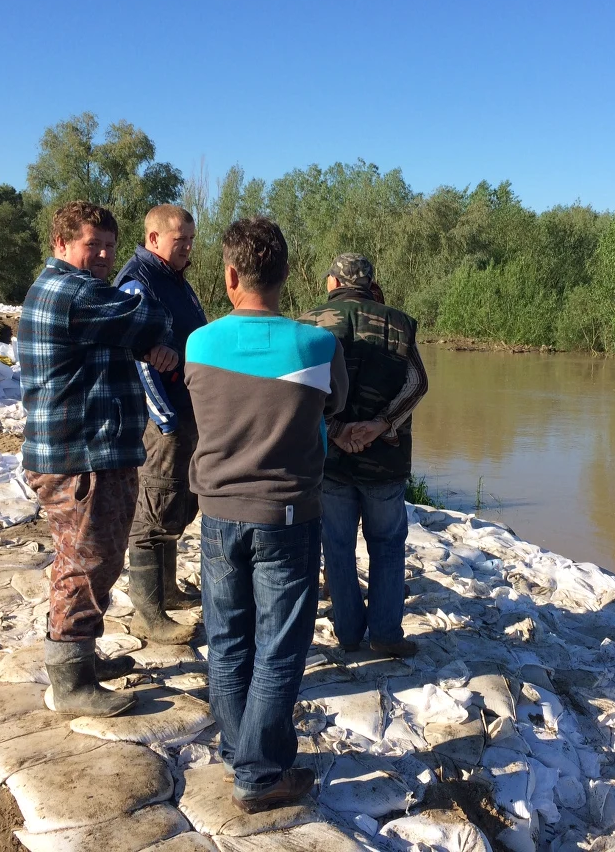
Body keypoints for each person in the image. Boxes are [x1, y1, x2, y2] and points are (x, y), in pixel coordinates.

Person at [186, 217, 347, 812]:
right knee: (279, 646)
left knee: (228, 639)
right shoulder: (317, 344)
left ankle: (240, 751)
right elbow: (340, 402)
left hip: (218, 513)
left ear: (230, 276)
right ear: (285, 276)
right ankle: (258, 774)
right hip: (287, 514)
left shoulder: (198, 343)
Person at [19, 201, 178, 718]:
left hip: (90, 451)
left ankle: (81, 661)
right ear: (61, 245)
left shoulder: (85, 298)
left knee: (95, 560)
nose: (107, 255)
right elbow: (149, 313)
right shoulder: (70, 291)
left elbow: (126, 331)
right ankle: (70, 686)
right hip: (79, 456)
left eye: (110, 244)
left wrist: (144, 344)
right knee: (83, 564)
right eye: (95, 245)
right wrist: (151, 336)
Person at [298, 253, 429, 658]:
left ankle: (349, 632)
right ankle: (386, 633)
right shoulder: (399, 322)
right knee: (387, 544)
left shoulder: (307, 322)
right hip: (385, 459)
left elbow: (301, 389)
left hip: (330, 459)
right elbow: (417, 383)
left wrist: (336, 431)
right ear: (371, 283)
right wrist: (380, 424)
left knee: (336, 544)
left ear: (332, 283)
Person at [114, 204, 207, 645]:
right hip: (162, 418)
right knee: (153, 506)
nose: (188, 248)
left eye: (191, 239)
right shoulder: (139, 282)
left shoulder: (174, 279)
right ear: (153, 238)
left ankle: (167, 589)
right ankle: (148, 613)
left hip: (184, 410)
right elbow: (137, 356)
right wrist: (166, 418)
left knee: (175, 500)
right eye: (179, 240)